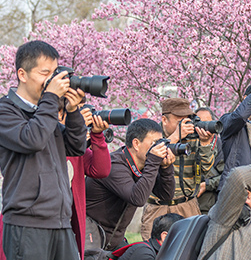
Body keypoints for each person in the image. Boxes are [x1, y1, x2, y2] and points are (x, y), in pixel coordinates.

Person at [0, 40, 87, 260]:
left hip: (60, 224)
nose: (51, 80)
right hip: (28, 225)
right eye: (44, 73)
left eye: (54, 73)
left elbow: (74, 147)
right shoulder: (3, 111)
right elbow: (30, 139)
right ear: (22, 73)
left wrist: (72, 112)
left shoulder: (47, 112)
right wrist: (51, 100)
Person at [86, 118, 176, 250]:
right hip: (90, 237)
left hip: (112, 239)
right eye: (155, 143)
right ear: (136, 144)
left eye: (161, 142)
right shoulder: (114, 165)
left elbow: (166, 196)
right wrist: (153, 162)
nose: (160, 147)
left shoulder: (145, 165)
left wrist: (166, 168)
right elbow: (137, 198)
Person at [140, 98, 216, 240]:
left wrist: (205, 143)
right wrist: (175, 137)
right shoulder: (151, 136)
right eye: (179, 121)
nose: (185, 125)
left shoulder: (194, 137)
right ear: (164, 120)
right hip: (157, 207)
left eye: (186, 120)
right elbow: (145, 162)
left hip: (188, 206)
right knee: (153, 255)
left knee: (191, 253)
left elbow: (206, 170)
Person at [194, 107, 224, 214]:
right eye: (199, 122)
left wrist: (207, 184)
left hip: (209, 207)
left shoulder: (220, 144)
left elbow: (226, 175)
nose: (203, 126)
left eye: (207, 122)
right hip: (188, 205)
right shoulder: (188, 142)